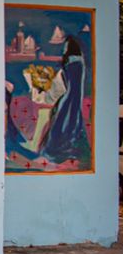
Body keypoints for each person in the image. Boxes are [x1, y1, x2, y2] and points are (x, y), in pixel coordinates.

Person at [38, 35, 89, 164]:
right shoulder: (78, 60)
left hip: (70, 96)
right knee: (71, 120)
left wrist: (43, 58)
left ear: (71, 47)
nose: (64, 49)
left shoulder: (72, 60)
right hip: (75, 95)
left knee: (63, 121)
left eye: (66, 46)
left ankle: (55, 150)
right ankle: (67, 148)